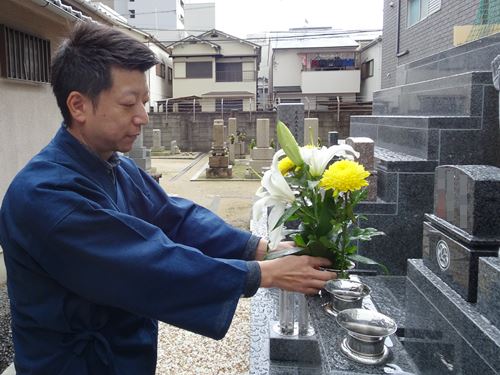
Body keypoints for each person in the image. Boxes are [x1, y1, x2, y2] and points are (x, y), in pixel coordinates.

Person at [0, 22, 335, 374]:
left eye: (144, 102)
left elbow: (175, 218)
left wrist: (257, 248)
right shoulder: (44, 197)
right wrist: (260, 275)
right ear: (78, 106)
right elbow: (144, 265)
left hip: (123, 355)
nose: (142, 117)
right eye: (129, 104)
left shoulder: (114, 166)